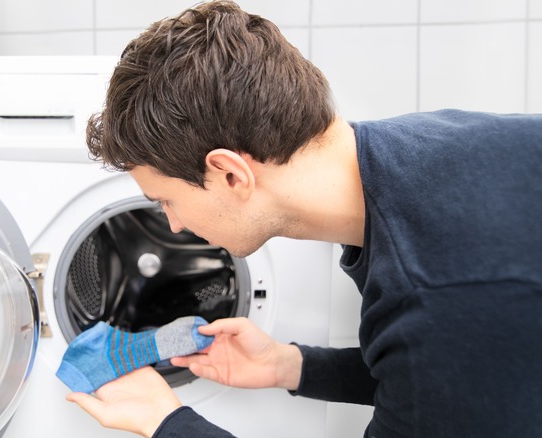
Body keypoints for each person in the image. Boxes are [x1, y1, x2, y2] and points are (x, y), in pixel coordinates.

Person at [65, 1, 542, 437]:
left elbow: (439, 352)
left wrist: (165, 422)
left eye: (164, 201)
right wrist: (287, 365)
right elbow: (448, 379)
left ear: (231, 174)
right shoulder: (420, 152)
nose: (172, 226)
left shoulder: (437, 293)